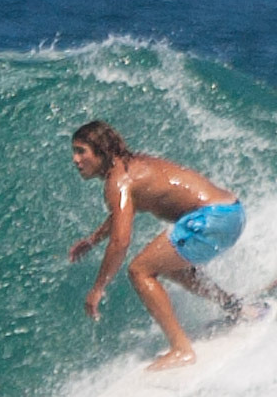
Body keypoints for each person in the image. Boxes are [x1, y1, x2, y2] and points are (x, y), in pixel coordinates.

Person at [68, 120, 254, 370]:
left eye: (81, 151)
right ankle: (235, 307)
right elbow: (121, 215)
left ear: (101, 152)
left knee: (139, 270)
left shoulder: (118, 181)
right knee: (170, 265)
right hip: (232, 213)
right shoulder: (134, 166)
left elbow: (121, 241)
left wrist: (98, 287)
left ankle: (181, 349)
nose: (75, 159)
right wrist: (93, 240)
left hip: (210, 219)